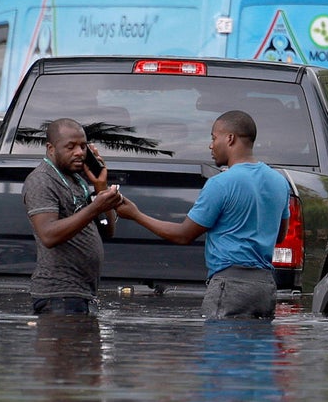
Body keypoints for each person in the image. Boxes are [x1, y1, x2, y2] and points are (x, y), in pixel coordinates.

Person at [116, 110, 290, 319]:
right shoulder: (279, 182)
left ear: (230, 138)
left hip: (230, 287)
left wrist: (135, 215)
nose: (211, 145)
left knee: (221, 348)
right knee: (256, 350)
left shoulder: (220, 183)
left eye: (213, 138)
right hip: (265, 287)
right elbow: (279, 236)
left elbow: (184, 234)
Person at [23, 118, 122, 315]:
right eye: (70, 147)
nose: (79, 152)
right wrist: (94, 208)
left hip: (80, 295)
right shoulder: (41, 181)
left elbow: (108, 231)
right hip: (58, 296)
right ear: (51, 148)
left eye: (83, 146)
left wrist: (100, 187)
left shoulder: (77, 180)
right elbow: (49, 235)